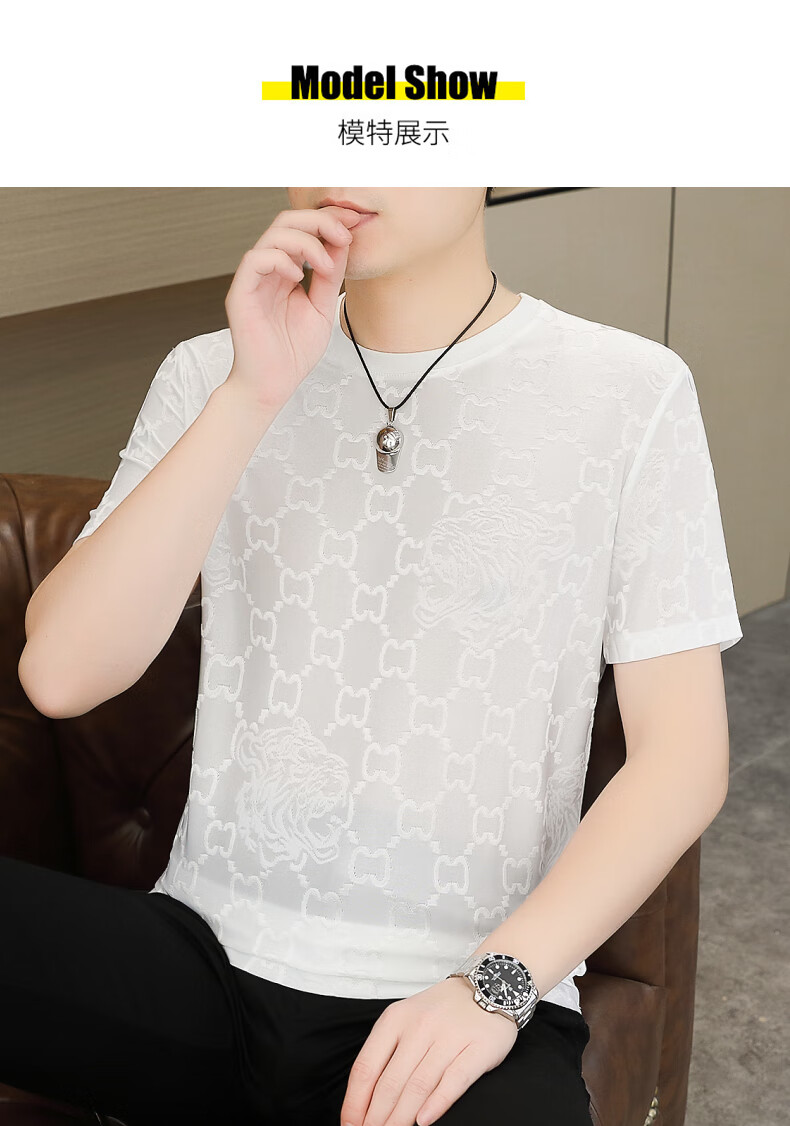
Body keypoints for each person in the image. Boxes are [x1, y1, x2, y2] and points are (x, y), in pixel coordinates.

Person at [9, 187, 742, 1126]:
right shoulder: (209, 371)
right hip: (203, 963)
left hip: (453, 991)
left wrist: (493, 988)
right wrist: (251, 394)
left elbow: (683, 762)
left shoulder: (630, 391)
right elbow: (62, 676)